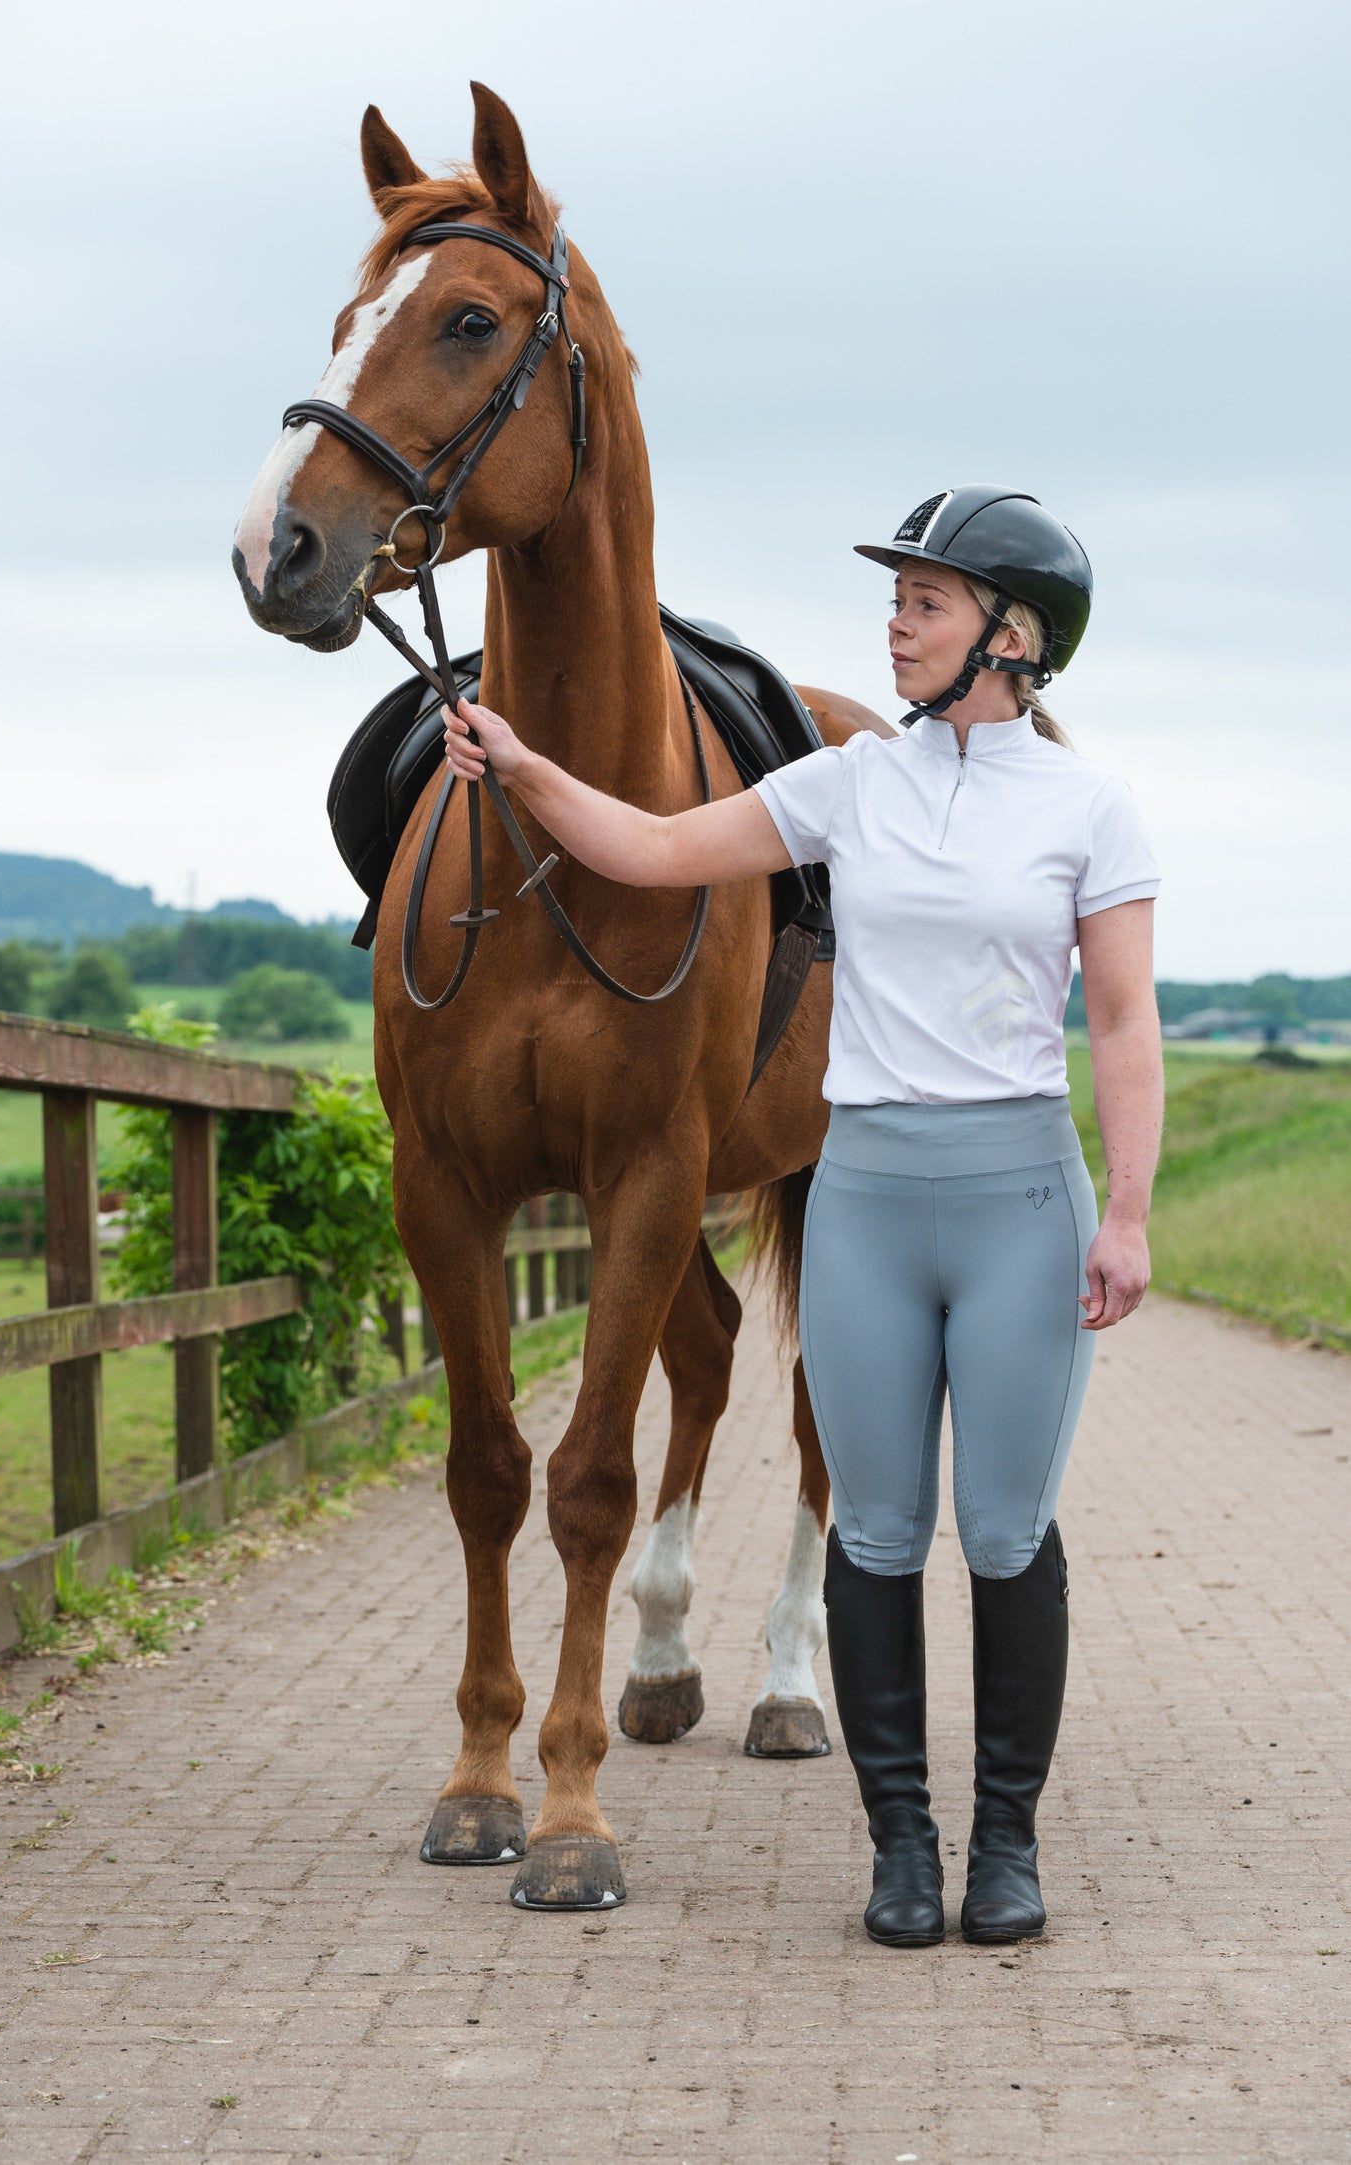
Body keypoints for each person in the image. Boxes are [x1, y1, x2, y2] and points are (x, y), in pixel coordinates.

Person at [441, 485, 1163, 1949]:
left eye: (926, 602)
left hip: (1023, 1192)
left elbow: (1124, 1018)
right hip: (870, 1200)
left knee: (1006, 1529)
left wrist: (1127, 1214)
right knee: (882, 1531)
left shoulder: (1092, 809)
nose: (894, 622)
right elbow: (648, 849)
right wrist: (519, 765)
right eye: (895, 599)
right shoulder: (845, 782)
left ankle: (1003, 1846)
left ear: (1009, 639)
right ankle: (901, 1847)